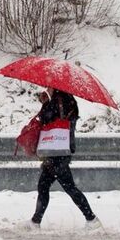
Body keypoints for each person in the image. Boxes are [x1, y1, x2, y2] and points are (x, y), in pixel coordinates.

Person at [26, 87, 100, 230]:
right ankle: (35, 222)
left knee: (67, 187)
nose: (48, 88)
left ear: (56, 86)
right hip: (61, 149)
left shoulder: (58, 101)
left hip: (56, 151)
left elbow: (46, 119)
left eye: (50, 86)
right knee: (45, 186)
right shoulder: (70, 101)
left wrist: (44, 103)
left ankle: (92, 219)